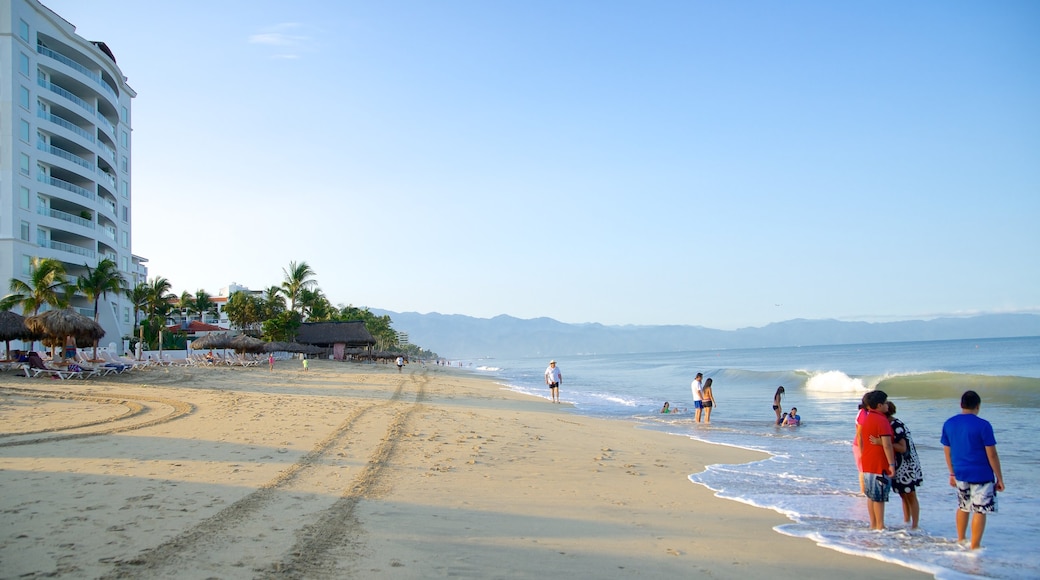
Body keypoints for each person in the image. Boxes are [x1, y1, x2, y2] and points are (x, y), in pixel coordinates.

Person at [941, 390, 1004, 550]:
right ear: (978, 406)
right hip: (981, 473)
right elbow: (992, 454)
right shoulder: (983, 425)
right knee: (980, 510)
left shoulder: (949, 423)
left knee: (963, 506)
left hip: (960, 473)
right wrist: (999, 478)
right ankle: (975, 546)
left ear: (961, 405)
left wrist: (952, 473)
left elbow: (947, 451)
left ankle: (961, 539)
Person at [859, 390, 896, 530]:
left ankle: (873, 524)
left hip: (867, 462)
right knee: (879, 497)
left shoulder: (867, 418)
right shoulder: (882, 420)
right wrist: (891, 464)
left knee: (871, 496)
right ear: (879, 405)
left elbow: (861, 439)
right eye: (886, 403)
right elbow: (886, 445)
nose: (888, 405)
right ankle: (880, 526)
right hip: (879, 463)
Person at [885, 402, 923, 529]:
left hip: (907, 465)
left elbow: (902, 448)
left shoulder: (896, 425)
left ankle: (915, 525)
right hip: (898, 464)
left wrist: (883, 443)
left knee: (910, 494)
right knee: (903, 494)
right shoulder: (888, 424)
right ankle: (906, 521)